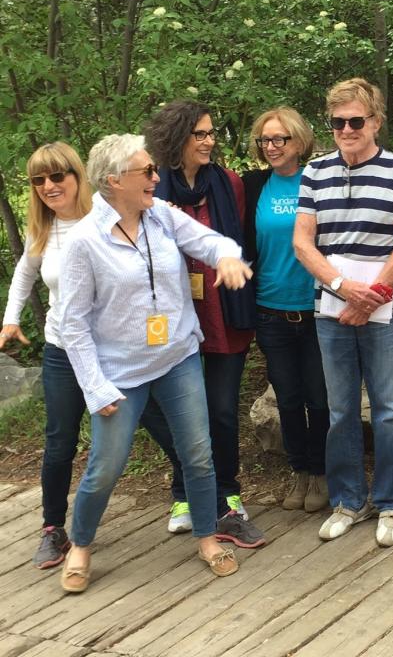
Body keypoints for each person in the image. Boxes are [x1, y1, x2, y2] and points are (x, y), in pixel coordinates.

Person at [57, 134, 253, 591]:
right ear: (114, 181)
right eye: (146, 171)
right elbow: (72, 324)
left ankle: (207, 537)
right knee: (106, 464)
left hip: (178, 357)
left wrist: (227, 257)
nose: (156, 177)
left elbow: (210, 241)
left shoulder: (161, 216)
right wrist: (95, 386)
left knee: (198, 455)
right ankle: (81, 544)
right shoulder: (85, 241)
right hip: (119, 372)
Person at [294, 78, 393, 547]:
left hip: (386, 308)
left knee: (389, 410)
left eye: (356, 120)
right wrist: (341, 287)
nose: (347, 129)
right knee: (340, 410)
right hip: (331, 308)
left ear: (375, 122)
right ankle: (348, 500)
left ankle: (391, 502)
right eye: (338, 122)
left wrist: (373, 292)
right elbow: (302, 243)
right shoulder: (314, 173)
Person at [144, 100, 265, 549]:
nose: (210, 141)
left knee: (222, 410)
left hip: (224, 315)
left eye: (212, 132)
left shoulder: (228, 183)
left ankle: (228, 492)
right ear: (177, 139)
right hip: (174, 320)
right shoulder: (152, 187)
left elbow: (238, 241)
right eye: (201, 134)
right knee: (180, 413)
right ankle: (184, 495)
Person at [0, 143, 94, 569]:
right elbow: (25, 273)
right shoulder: (45, 229)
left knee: (155, 421)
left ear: (77, 175)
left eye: (57, 176)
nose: (48, 186)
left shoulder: (105, 220)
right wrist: (10, 319)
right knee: (60, 440)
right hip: (61, 349)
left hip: (112, 349)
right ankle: (53, 529)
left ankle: (186, 502)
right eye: (38, 180)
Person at [243, 107, 330, 513]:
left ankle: (323, 471)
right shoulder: (254, 185)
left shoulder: (318, 179)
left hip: (315, 307)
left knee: (319, 396)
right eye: (265, 140)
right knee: (289, 398)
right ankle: (299, 470)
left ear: (299, 141)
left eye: (280, 139)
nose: (272, 147)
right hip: (270, 309)